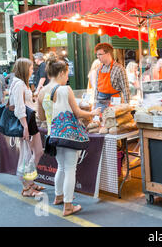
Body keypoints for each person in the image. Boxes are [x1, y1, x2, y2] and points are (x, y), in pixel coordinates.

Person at [37, 56, 100, 216]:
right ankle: (68, 205)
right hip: (69, 136)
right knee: (71, 169)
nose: (67, 77)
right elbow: (78, 112)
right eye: (67, 74)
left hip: (53, 136)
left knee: (61, 167)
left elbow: (42, 118)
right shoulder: (65, 90)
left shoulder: (41, 92)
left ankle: (58, 197)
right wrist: (93, 112)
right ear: (61, 73)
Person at [9, 58, 44, 197]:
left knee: (37, 151)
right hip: (26, 122)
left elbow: (25, 102)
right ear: (24, 69)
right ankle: (26, 186)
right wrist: (25, 127)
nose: (32, 70)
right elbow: (19, 107)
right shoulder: (19, 84)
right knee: (27, 154)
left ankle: (30, 182)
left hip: (29, 121)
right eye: (30, 68)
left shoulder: (22, 83)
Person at [94, 43, 130, 111]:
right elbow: (96, 89)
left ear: (108, 54)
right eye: (97, 55)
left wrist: (126, 107)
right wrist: (94, 104)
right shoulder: (99, 69)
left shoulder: (119, 68)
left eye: (100, 54)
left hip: (114, 104)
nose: (98, 57)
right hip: (100, 104)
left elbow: (125, 89)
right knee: (100, 121)